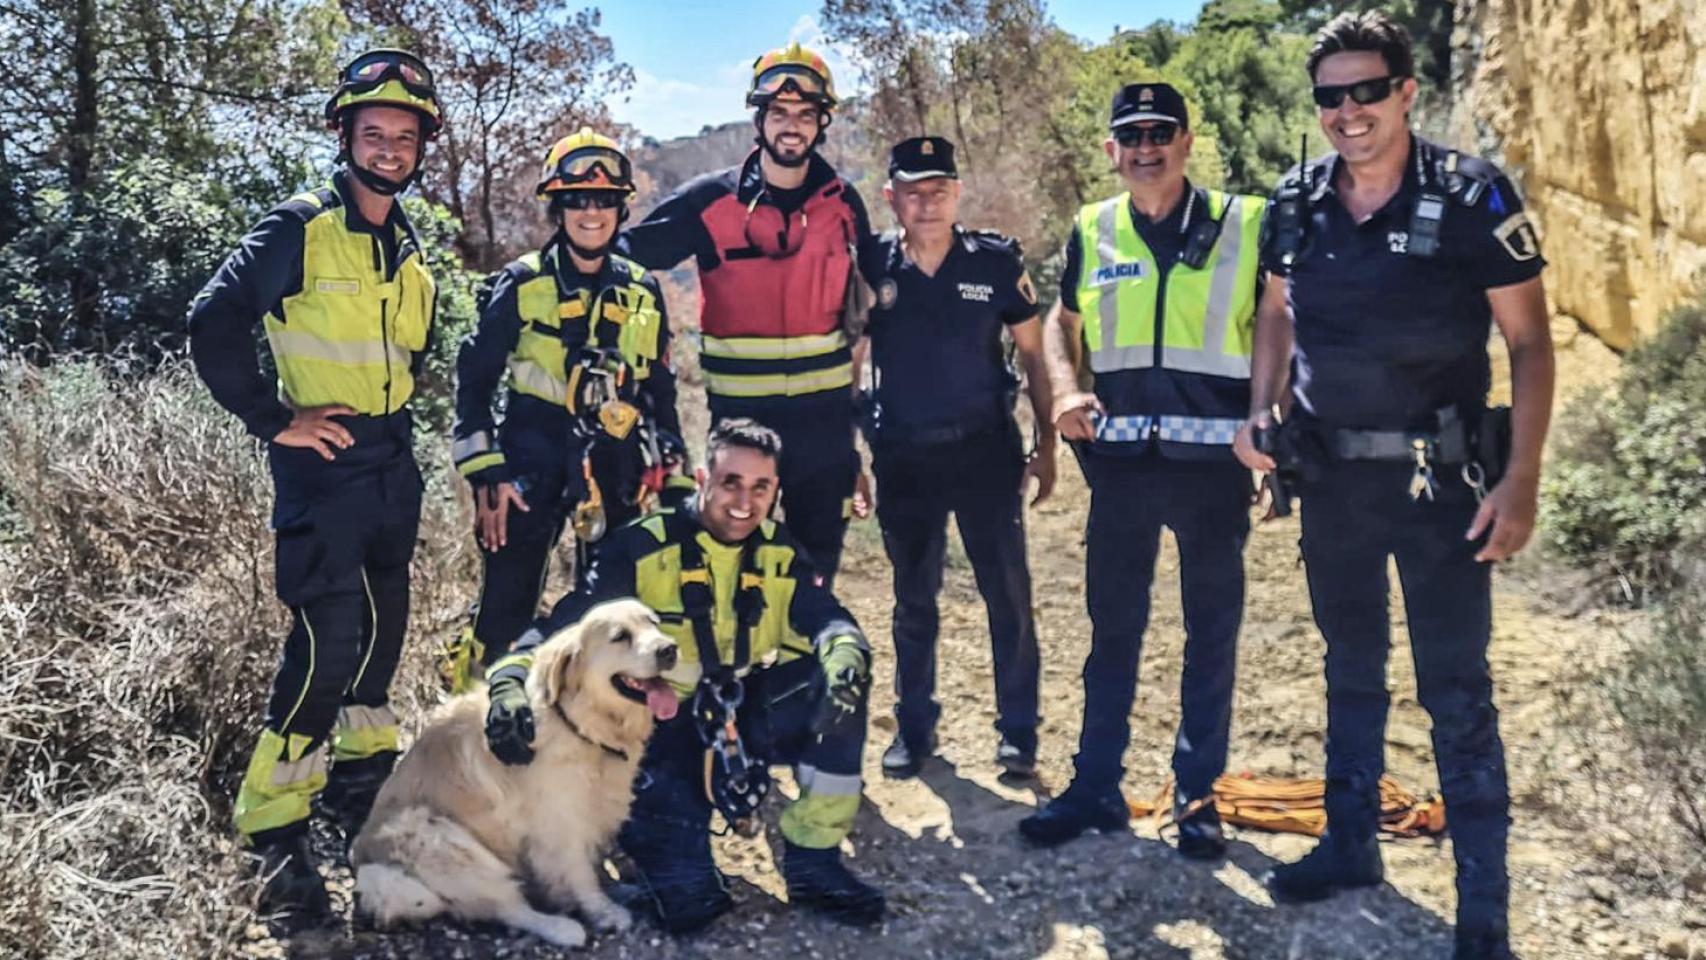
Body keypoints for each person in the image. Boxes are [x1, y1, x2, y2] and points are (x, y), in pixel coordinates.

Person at [1232, 13, 1553, 960]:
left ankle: (1483, 916)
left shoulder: (1472, 195)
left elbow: (1530, 343)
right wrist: (1262, 411)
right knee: (1348, 671)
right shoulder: (1296, 201)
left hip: (1442, 485)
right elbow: (1276, 311)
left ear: (1406, 91)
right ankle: (1348, 846)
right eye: (1330, 96)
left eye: (1366, 90)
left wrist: (1522, 481)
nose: (1347, 112)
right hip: (1332, 479)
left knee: (1457, 694)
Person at [186, 48, 444, 922]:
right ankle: (272, 831)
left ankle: (360, 795)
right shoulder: (299, 225)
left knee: (381, 640)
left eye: (404, 137)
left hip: (391, 468)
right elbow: (212, 320)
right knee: (327, 647)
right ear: (346, 136)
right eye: (374, 133)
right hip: (322, 468)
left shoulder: (407, 245)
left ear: (419, 148)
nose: (389, 148)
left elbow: (407, 358)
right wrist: (273, 417)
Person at [482, 419, 886, 933]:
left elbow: (824, 616)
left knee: (839, 677)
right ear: (701, 478)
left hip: (735, 719)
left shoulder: (779, 551)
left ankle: (814, 861)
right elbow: (565, 629)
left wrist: (846, 652)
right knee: (691, 907)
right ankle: (649, 849)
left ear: (775, 491)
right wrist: (507, 683)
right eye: (730, 483)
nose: (744, 502)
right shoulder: (640, 549)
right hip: (657, 738)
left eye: (760, 487)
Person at [1020, 82, 1267, 861]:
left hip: (1213, 468)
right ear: (1111, 151)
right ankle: (1095, 786)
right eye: (1131, 135)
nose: (1146, 147)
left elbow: (1284, 325)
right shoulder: (1094, 227)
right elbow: (1060, 326)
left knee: (1210, 635)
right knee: (1113, 633)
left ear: (1188, 141)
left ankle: (1196, 798)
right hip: (1121, 466)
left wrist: (1270, 422)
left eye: (1161, 132)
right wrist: (1061, 390)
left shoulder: (1246, 223)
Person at [617, 42, 874, 585]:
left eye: (805, 115)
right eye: (779, 113)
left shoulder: (844, 203)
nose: (792, 126)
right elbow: (621, 258)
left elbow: (872, 306)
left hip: (824, 423)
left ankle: (804, 668)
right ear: (759, 119)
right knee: (728, 565)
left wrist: (861, 435)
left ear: (822, 123)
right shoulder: (707, 201)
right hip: (739, 419)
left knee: (814, 570)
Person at [440, 127, 682, 693]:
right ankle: (475, 714)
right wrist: (486, 473)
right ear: (558, 208)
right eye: (576, 199)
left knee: (613, 605)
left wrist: (672, 474)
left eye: (603, 200)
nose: (590, 212)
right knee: (508, 599)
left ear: (622, 209)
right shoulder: (520, 285)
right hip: (532, 452)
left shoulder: (643, 291)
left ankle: (586, 725)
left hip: (616, 459)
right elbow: (472, 385)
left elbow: (661, 392)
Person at [856, 136, 1055, 780]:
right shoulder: (873, 266)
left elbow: (1033, 353)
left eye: (938, 189)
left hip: (984, 453)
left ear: (956, 194)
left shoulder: (994, 262)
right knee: (914, 599)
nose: (927, 202)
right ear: (892, 198)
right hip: (905, 458)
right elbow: (852, 362)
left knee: (1008, 593)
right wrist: (851, 449)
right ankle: (915, 731)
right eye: (912, 191)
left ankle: (1018, 732)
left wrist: (1048, 444)